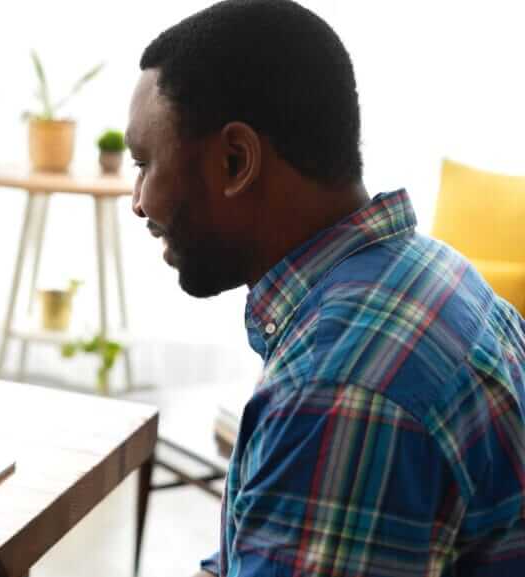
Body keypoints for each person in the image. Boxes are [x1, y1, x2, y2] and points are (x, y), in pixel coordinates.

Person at [125, 1, 525, 575]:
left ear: (236, 161)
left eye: (145, 162)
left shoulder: (339, 388)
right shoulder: (431, 271)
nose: (138, 200)